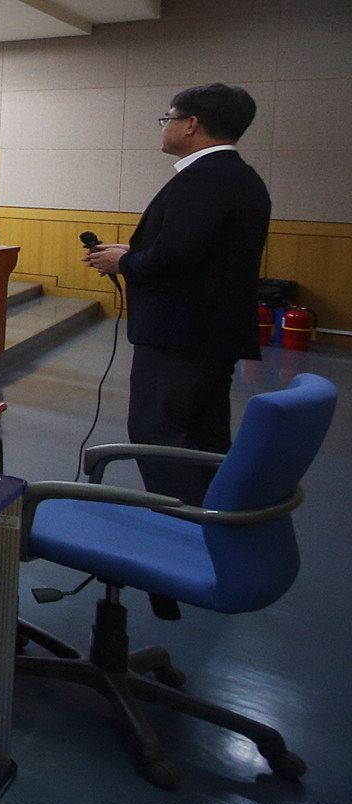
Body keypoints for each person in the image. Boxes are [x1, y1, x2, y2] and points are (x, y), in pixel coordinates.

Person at [84, 83, 272, 508]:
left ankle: (181, 526)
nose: (164, 126)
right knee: (204, 434)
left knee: (158, 431)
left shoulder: (203, 177)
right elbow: (202, 251)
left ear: (191, 124)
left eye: (167, 118)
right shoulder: (239, 176)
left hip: (181, 334)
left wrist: (125, 263)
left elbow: (177, 255)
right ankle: (214, 516)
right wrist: (134, 252)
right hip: (210, 332)